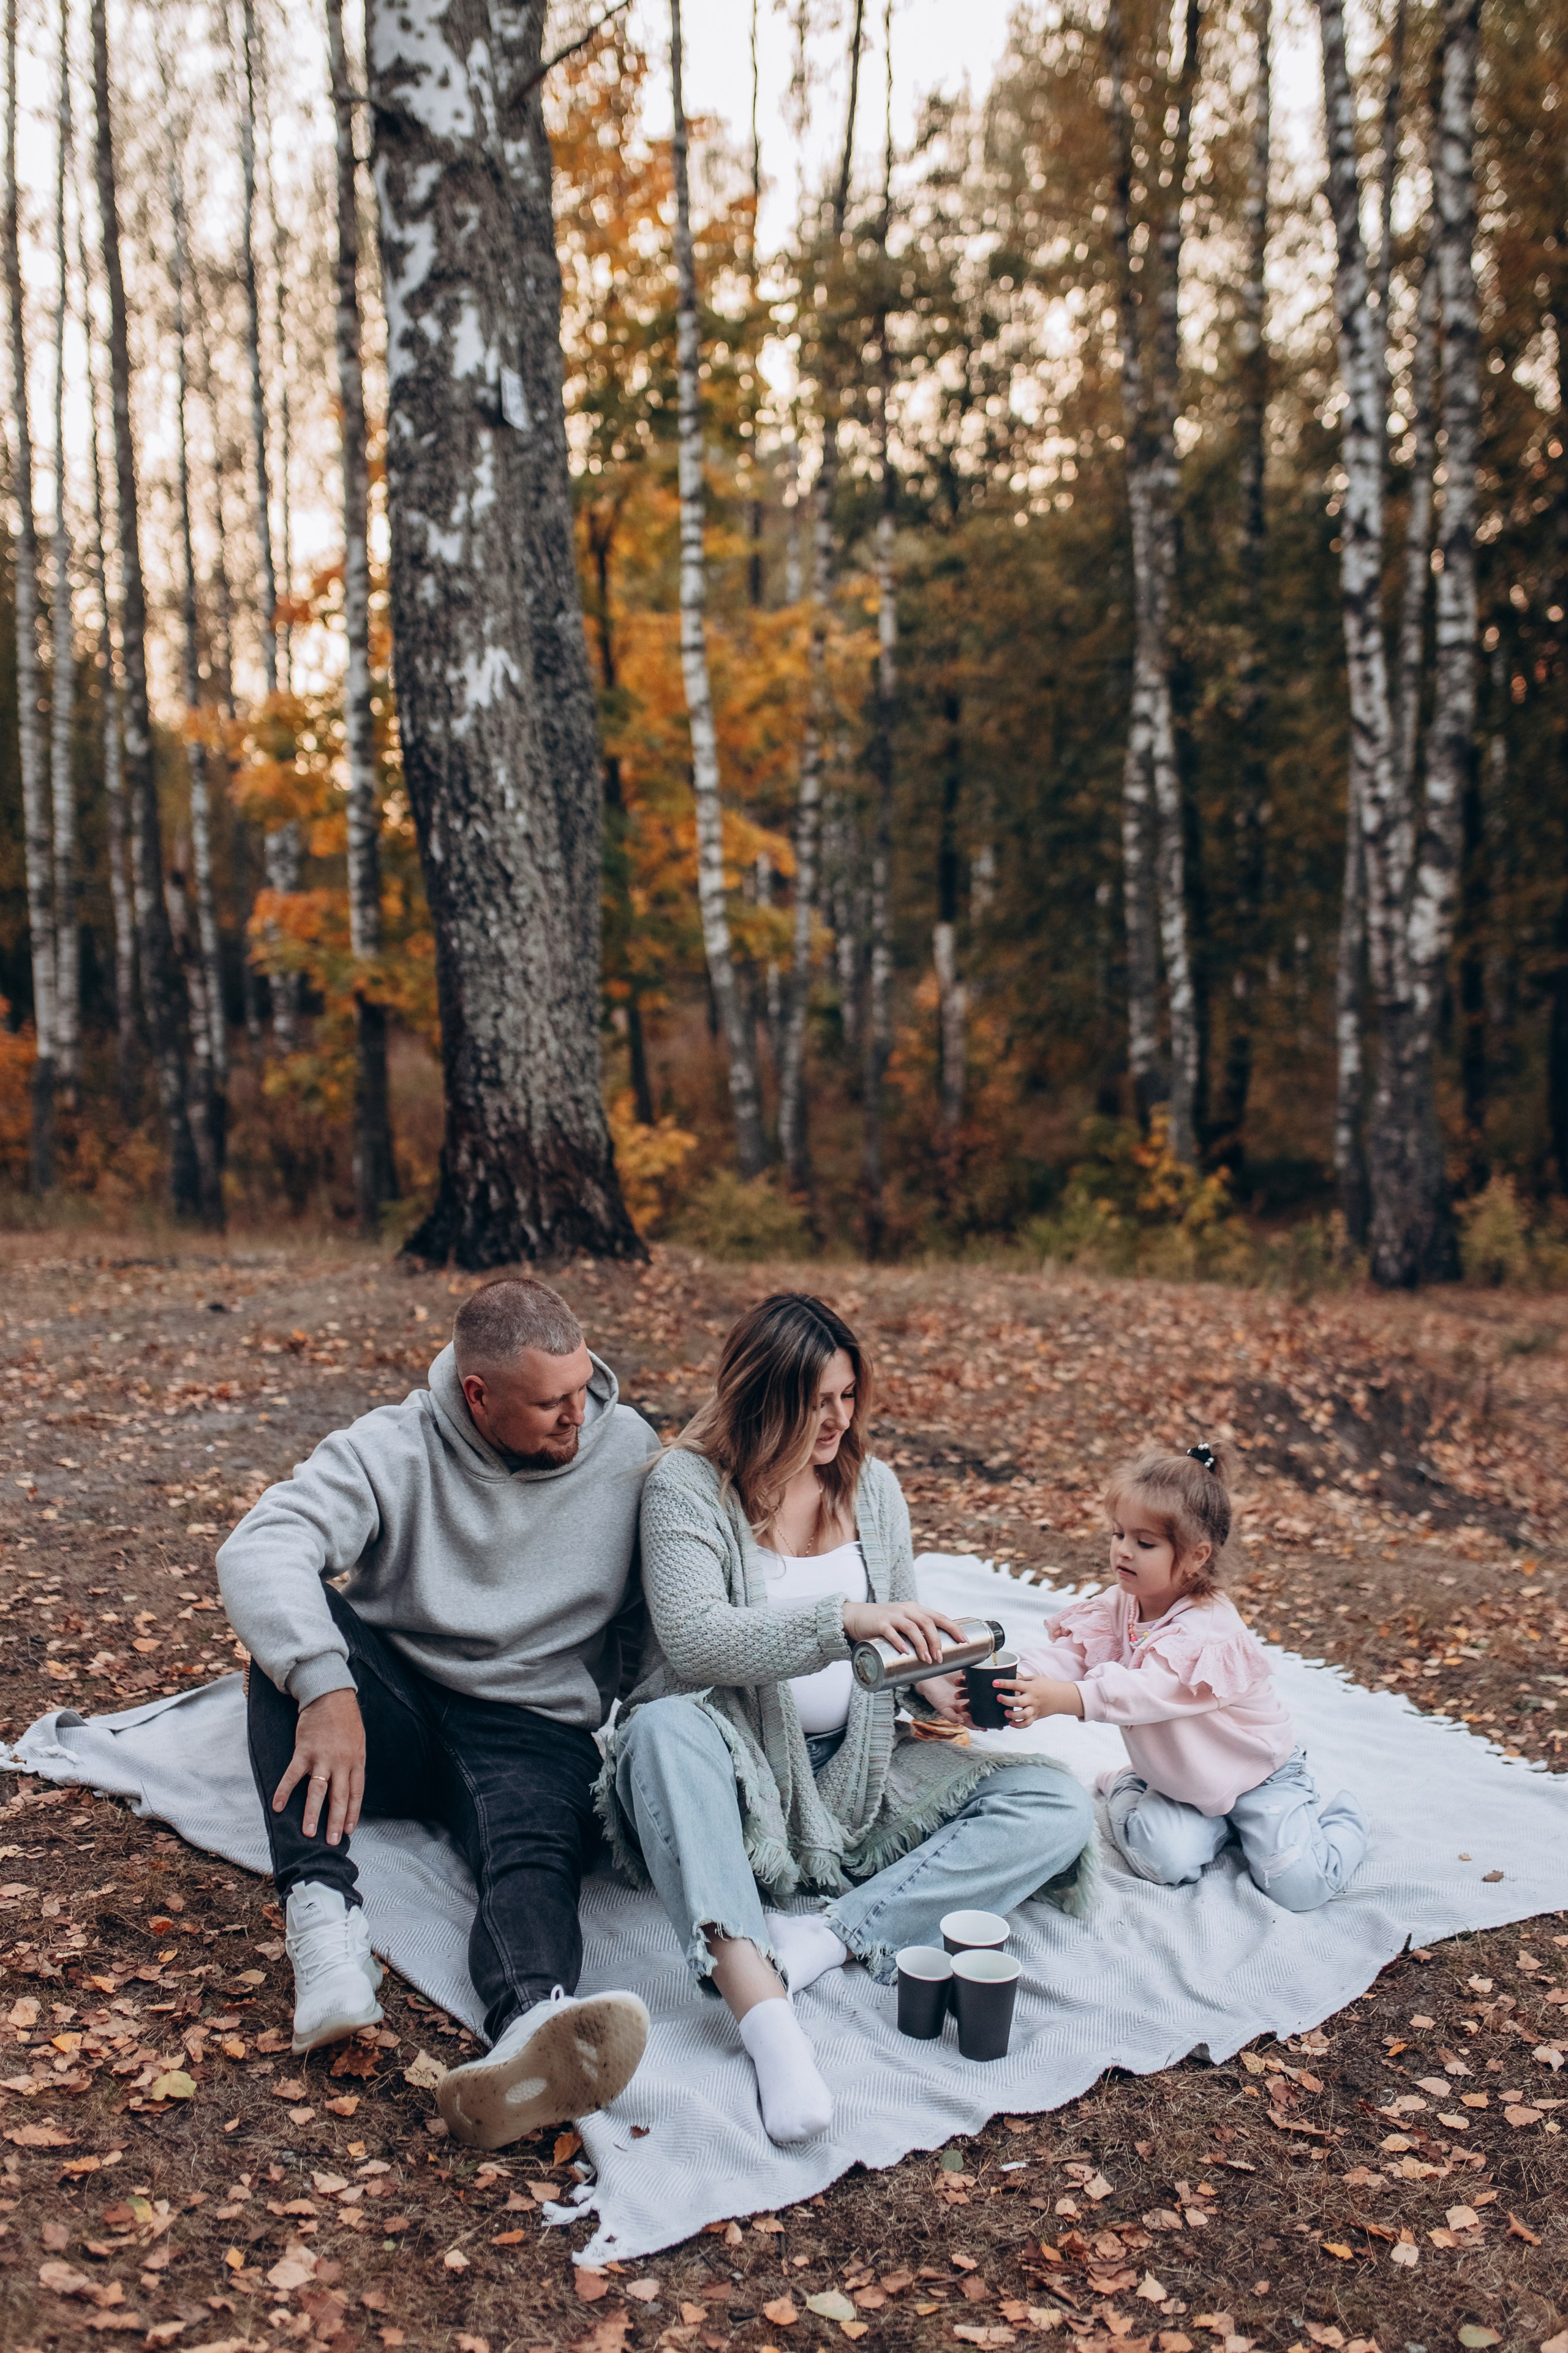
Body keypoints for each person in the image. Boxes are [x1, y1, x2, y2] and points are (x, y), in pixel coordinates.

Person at [601, 1293, 1095, 2147]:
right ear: (763, 1396)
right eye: (817, 1400)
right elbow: (694, 1640)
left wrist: (930, 1686)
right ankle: (767, 2022)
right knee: (656, 1734)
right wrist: (843, 1620)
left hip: (858, 1768)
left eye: (847, 1396)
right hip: (738, 1754)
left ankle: (828, 1939)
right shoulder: (688, 1486)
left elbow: (892, 1644)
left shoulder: (873, 1490)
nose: (838, 1418)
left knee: (1055, 1805)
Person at [216, 1275, 653, 2150]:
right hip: (400, 1706)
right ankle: (323, 1919)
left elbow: (664, 1621)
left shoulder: (630, 1447)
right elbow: (262, 1543)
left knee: (533, 1855)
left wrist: (654, 1738)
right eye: (548, 1404)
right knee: (290, 1654)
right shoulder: (393, 1446)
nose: (576, 1417)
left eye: (581, 1392)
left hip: (535, 1726)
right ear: (477, 1394)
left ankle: (533, 2025)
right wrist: (328, 1686)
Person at [996, 1442, 1368, 1911]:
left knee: (1299, 1887)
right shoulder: (1121, 1604)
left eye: (1145, 1542)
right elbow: (1069, 1654)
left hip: (1259, 1777)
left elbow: (1146, 1691)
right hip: (1182, 1783)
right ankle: (1141, 1787)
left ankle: (1345, 1820)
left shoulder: (1208, 1624)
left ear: (1196, 1555)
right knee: (1161, 1861)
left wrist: (1065, 1698)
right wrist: (1018, 1678)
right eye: (1118, 1534)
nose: (1123, 1551)